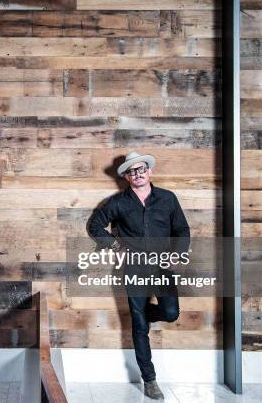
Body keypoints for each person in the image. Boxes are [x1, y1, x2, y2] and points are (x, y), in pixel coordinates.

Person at [87, 151, 191, 400]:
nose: (138, 173)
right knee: (139, 326)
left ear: (149, 171)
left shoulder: (167, 198)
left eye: (141, 168)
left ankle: (143, 316)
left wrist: (177, 254)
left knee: (170, 312)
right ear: (126, 177)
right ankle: (150, 380)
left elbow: (182, 229)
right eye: (132, 171)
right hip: (133, 266)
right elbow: (94, 225)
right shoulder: (118, 202)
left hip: (162, 265)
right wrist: (114, 246)